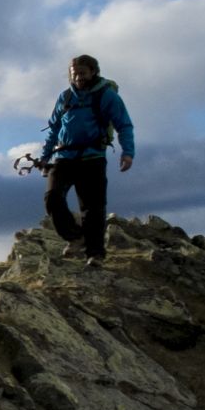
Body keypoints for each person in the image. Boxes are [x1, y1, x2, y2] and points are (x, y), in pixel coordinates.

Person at [40, 54, 135, 267]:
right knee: (52, 197)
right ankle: (75, 237)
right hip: (64, 157)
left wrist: (128, 152)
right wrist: (45, 156)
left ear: (93, 72)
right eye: (75, 74)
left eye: (82, 73)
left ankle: (95, 254)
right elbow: (54, 128)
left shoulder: (106, 96)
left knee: (93, 208)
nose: (79, 77)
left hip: (93, 157)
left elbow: (124, 124)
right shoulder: (65, 98)